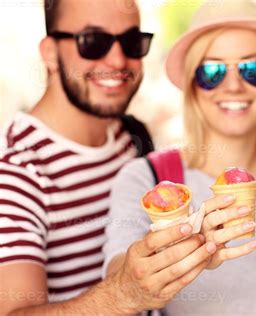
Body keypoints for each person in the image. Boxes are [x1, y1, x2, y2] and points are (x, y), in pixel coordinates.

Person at [103, 0, 256, 314]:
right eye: (212, 71)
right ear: (193, 86)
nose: (233, 86)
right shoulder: (147, 180)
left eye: (253, 70)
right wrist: (169, 256)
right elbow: (119, 277)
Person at [0, 0, 215, 314]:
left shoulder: (133, 137)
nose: (117, 59)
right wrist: (123, 294)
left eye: (130, 42)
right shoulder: (16, 172)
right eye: (93, 42)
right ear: (49, 53)